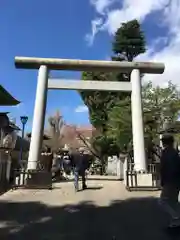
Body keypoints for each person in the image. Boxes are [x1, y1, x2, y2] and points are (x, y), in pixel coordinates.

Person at [159, 134, 180, 228]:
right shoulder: (175, 153)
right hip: (177, 181)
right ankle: (175, 223)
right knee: (173, 202)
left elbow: (163, 168)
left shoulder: (166, 152)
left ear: (164, 143)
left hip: (169, 181)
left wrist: (162, 181)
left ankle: (175, 217)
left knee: (162, 201)